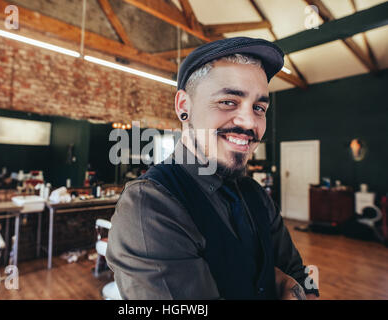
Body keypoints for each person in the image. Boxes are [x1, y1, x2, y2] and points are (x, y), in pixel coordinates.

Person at [106, 37, 319, 300]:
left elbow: (301, 277)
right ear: (184, 107)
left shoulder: (255, 194)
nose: (249, 122)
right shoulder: (148, 205)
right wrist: (278, 282)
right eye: (229, 101)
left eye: (259, 107)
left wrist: (290, 284)